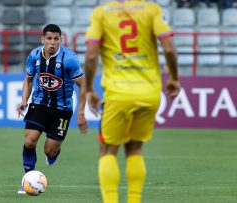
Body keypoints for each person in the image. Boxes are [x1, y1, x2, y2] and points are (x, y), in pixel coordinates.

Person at [84, 1, 181, 203]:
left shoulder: (101, 13)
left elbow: (92, 55)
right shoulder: (153, 10)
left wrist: (91, 89)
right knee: (135, 149)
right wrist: (174, 78)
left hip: (118, 93)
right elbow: (169, 49)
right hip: (149, 92)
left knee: (107, 151)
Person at [16, 24, 88, 194]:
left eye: (56, 38)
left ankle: (53, 154)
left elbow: (83, 85)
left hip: (62, 108)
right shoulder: (34, 56)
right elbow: (28, 80)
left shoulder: (69, 59)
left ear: (61, 40)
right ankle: (28, 180)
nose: (52, 42)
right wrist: (24, 100)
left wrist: (81, 113)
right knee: (29, 140)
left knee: (49, 150)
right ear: (43, 40)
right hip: (39, 102)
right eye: (49, 38)